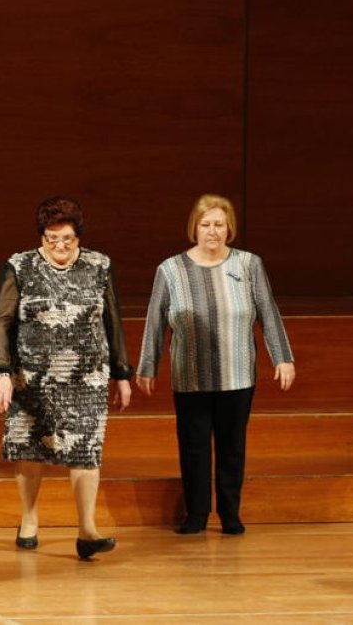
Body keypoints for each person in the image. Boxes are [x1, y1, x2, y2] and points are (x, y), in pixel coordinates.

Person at [136, 194, 295, 535]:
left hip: (237, 374)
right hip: (190, 375)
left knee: (231, 446)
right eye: (205, 224)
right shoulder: (171, 269)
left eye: (219, 224)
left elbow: (268, 312)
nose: (212, 231)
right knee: (193, 447)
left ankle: (229, 513)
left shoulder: (249, 265)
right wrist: (148, 365)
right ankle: (196, 514)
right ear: (194, 228)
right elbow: (155, 319)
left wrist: (282, 357)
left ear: (229, 228)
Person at [0, 196, 132, 560]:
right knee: (29, 447)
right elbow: (0, 321)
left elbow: (112, 320)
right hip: (32, 377)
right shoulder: (20, 266)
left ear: (78, 236)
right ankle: (29, 518)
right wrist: (1, 371)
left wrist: (122, 373)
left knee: (86, 450)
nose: (60, 246)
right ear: (42, 237)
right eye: (52, 239)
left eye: (67, 239)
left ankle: (87, 530)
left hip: (88, 377)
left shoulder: (99, 265)